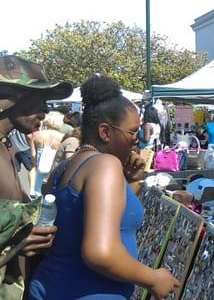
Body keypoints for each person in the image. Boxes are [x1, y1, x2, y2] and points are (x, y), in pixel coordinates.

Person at [29, 75, 179, 300]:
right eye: (132, 132)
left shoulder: (65, 167)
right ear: (105, 132)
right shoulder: (105, 165)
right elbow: (99, 252)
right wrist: (153, 278)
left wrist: (132, 181)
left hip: (51, 286)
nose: (137, 139)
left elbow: (109, 218)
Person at [0, 55, 73, 299]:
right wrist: (16, 238)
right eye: (38, 99)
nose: (44, 110)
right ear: (7, 98)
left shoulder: (7, 145)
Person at [31, 111, 65, 196]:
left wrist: (36, 165)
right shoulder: (63, 137)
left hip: (40, 168)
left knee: (38, 193)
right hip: (55, 170)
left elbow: (33, 154)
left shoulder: (36, 135)